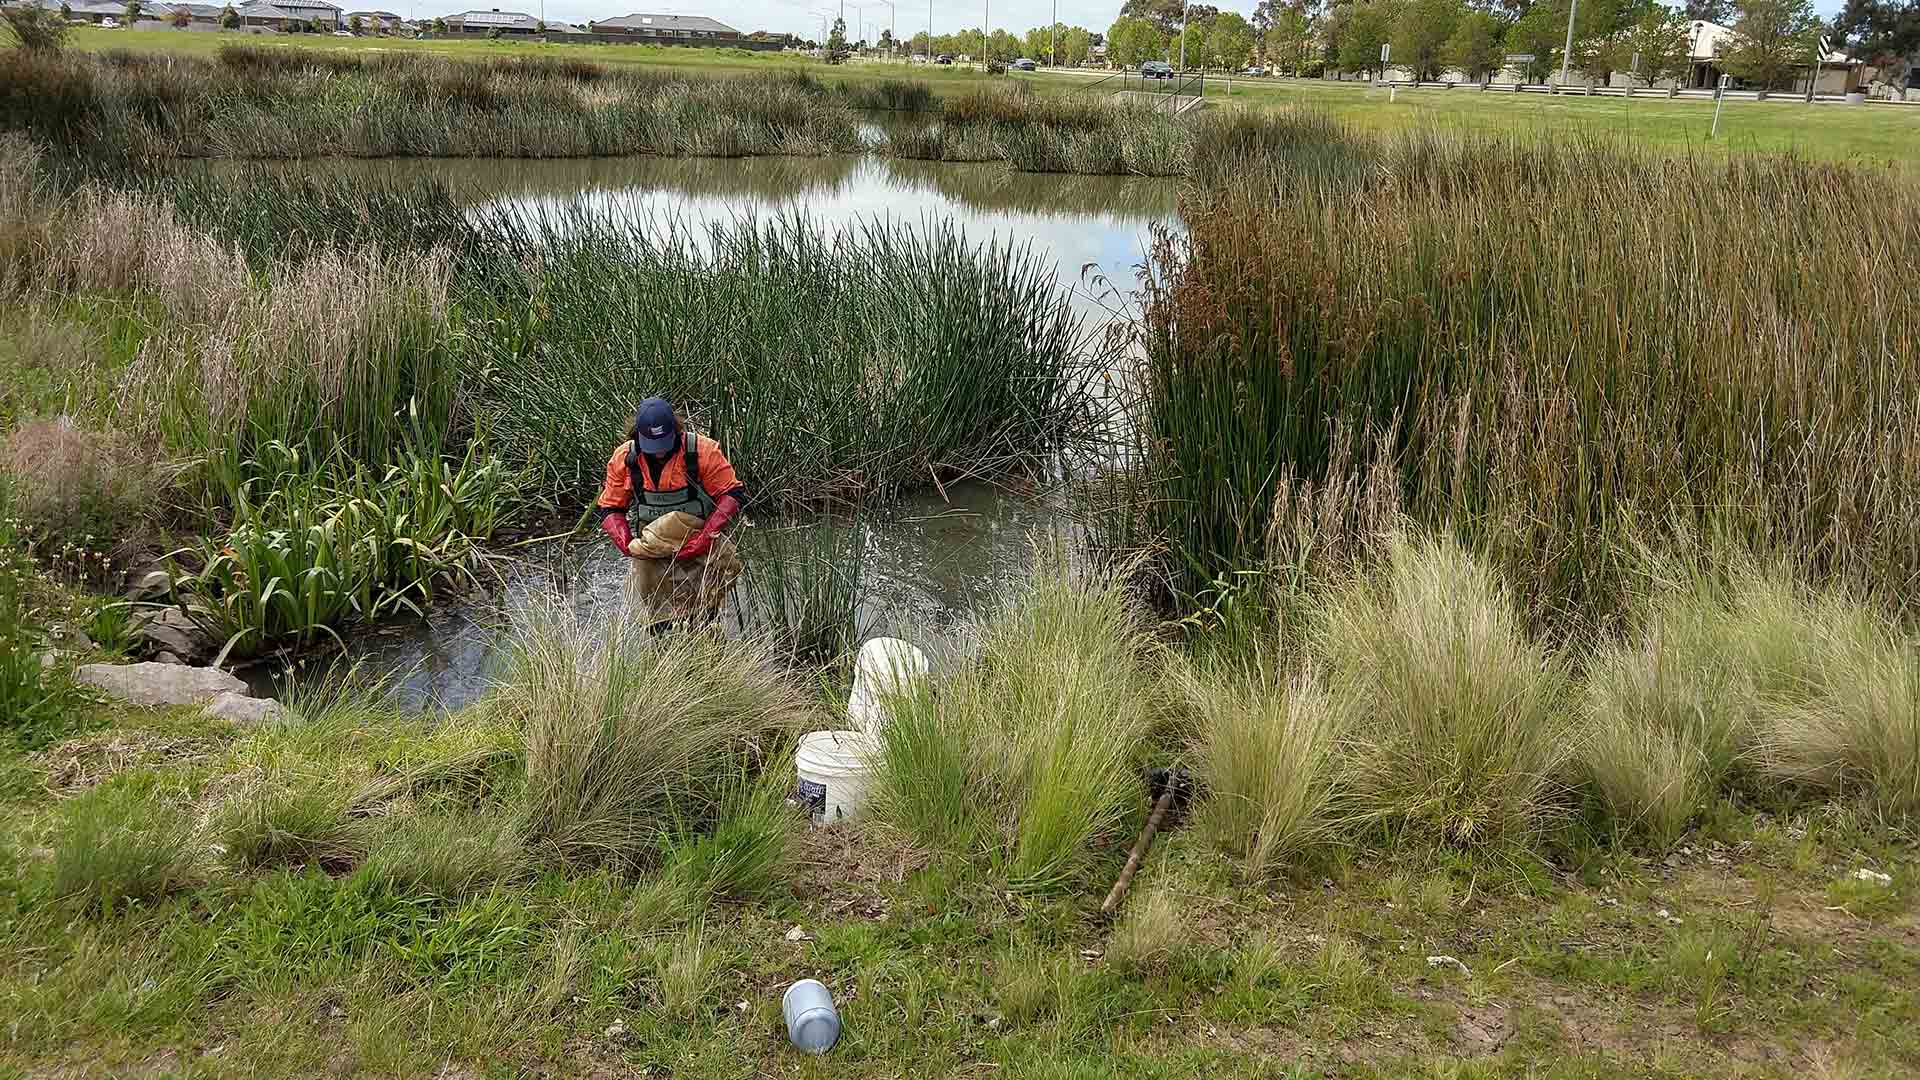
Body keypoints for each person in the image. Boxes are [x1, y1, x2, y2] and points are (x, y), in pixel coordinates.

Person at [595, 397, 746, 625]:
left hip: (697, 537)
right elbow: (610, 508)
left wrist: (706, 538)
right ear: (636, 436)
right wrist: (627, 545)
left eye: (664, 445)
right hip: (651, 545)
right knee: (658, 618)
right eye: (651, 447)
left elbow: (732, 494)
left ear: (677, 430)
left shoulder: (703, 450)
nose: (658, 453)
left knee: (714, 592)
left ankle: (705, 630)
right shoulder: (624, 458)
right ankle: (663, 648)